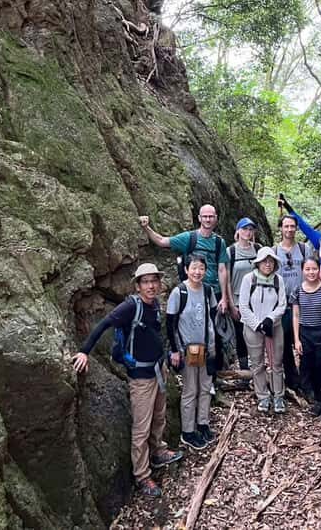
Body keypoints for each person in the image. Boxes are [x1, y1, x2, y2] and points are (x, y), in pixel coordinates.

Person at [73, 263, 182, 498]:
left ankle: (158, 451)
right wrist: (84, 351)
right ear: (137, 285)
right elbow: (103, 324)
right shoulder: (130, 306)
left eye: (154, 280)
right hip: (141, 378)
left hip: (158, 369)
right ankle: (142, 475)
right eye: (146, 281)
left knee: (159, 415)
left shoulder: (154, 304)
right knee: (141, 428)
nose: (151, 285)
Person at [139, 205, 232, 368]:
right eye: (205, 216)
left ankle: (212, 374)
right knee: (192, 331)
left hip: (213, 294)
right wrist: (146, 227)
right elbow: (162, 241)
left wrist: (224, 298)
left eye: (211, 216)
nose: (208, 219)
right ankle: (191, 369)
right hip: (192, 292)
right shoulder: (190, 238)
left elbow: (222, 269)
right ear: (199, 218)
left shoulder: (219, 242)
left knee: (214, 334)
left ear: (216, 218)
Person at [166, 253, 218, 451]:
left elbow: (212, 316)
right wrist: (174, 350)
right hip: (187, 349)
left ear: (205, 271)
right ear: (186, 269)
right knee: (190, 390)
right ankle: (188, 431)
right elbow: (170, 324)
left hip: (207, 347)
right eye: (193, 267)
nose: (197, 271)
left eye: (201, 268)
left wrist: (214, 345)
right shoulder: (179, 292)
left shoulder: (207, 290)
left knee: (205, 387)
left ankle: (202, 424)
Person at [237, 246, 288, 413]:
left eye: (271, 261)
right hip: (253, 328)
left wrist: (269, 319)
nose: (268, 264)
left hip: (274, 327)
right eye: (265, 261)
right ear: (258, 263)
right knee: (257, 363)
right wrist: (257, 324)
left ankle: (278, 395)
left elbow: (282, 305)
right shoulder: (248, 279)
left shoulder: (278, 280)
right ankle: (263, 396)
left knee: (276, 362)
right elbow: (243, 306)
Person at [292, 256, 321, 420]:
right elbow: (296, 316)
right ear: (302, 271)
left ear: (319, 270)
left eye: (314, 269)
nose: (311, 272)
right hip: (305, 334)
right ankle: (318, 401)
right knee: (309, 369)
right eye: (308, 269)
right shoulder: (297, 291)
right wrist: (296, 339)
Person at [272, 215, 312, 394]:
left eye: (292, 226)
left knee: (305, 342)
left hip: (304, 303)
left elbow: (313, 273)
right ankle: (292, 380)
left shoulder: (304, 249)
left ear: (296, 228)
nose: (289, 230)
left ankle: (307, 379)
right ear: (281, 228)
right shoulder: (274, 251)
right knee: (285, 344)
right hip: (283, 305)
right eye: (286, 226)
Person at [227, 217, 260, 372]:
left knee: (257, 334)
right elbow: (226, 280)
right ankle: (245, 370)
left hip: (257, 300)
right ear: (238, 231)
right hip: (238, 300)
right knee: (241, 336)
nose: (247, 232)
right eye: (244, 229)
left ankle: (258, 367)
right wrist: (231, 304)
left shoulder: (258, 249)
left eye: (250, 229)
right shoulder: (230, 251)